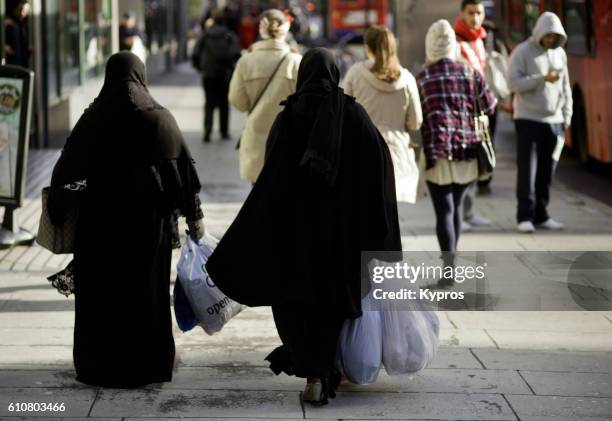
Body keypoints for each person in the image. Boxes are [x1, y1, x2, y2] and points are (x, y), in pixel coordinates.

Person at [206, 48, 401, 405]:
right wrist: (375, 229)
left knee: (292, 301)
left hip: (291, 234)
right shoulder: (353, 116)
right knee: (331, 303)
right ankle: (321, 371)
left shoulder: (287, 117)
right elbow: (377, 170)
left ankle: (309, 365)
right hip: (338, 238)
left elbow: (270, 177)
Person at [48, 52, 205, 388]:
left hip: (99, 228)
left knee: (101, 297)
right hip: (148, 230)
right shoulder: (158, 119)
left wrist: (63, 208)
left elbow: (63, 174)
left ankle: (99, 365)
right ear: (140, 76)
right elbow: (184, 176)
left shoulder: (93, 120)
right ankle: (146, 364)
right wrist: (195, 221)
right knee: (145, 293)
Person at [417, 20, 496, 287]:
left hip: (436, 151)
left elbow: (415, 117)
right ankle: (451, 265)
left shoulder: (422, 77)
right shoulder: (470, 73)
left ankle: (448, 271)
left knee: (444, 211)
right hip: (467, 150)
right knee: (457, 208)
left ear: (430, 45)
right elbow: (490, 104)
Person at [507, 12, 572, 233]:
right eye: (548, 36)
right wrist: (541, 79)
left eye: (556, 37)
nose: (552, 40)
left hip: (554, 121)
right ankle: (524, 216)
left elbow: (566, 88)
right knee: (528, 171)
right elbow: (513, 83)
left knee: (546, 171)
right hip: (528, 119)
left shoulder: (560, 54)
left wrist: (567, 116)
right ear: (540, 32)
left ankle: (541, 214)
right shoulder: (522, 52)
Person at [343, 25, 422, 203]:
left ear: (367, 47)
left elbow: (344, 114)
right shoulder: (407, 79)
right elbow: (415, 122)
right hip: (397, 152)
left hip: (362, 150)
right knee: (391, 211)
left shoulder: (355, 74)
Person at [228, 9, 301, 183]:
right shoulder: (296, 61)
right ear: (286, 28)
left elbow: (238, 101)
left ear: (261, 29)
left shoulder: (246, 61)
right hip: (289, 138)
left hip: (256, 138)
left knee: (259, 197)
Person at [454, 0, 495, 227]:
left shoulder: (480, 38)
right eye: (471, 13)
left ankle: (469, 213)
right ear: (462, 13)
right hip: (463, 111)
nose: (475, 17)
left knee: (475, 162)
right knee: (463, 162)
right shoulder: (455, 40)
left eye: (479, 12)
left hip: (479, 109)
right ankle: (460, 214)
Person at [193, 8, 241, 143]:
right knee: (224, 103)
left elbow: (195, 53)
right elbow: (236, 55)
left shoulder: (206, 35)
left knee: (209, 103)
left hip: (208, 73)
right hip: (224, 74)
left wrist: (200, 68)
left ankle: (207, 129)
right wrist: (232, 68)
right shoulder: (229, 35)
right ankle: (224, 131)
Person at [4, 0, 30, 67]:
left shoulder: (24, 25)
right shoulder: (8, 24)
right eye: (20, 10)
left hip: (21, 59)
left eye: (25, 11)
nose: (22, 13)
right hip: (11, 61)